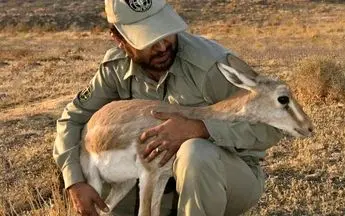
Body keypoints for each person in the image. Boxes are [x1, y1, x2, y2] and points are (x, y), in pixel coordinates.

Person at [53, 0, 282, 215]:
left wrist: (201, 129)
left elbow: (271, 126)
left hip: (226, 177)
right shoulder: (115, 68)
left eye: (164, 32)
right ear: (118, 39)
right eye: (148, 40)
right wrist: (74, 181)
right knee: (94, 158)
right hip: (156, 183)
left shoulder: (211, 64)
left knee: (195, 152)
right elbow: (72, 119)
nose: (163, 46)